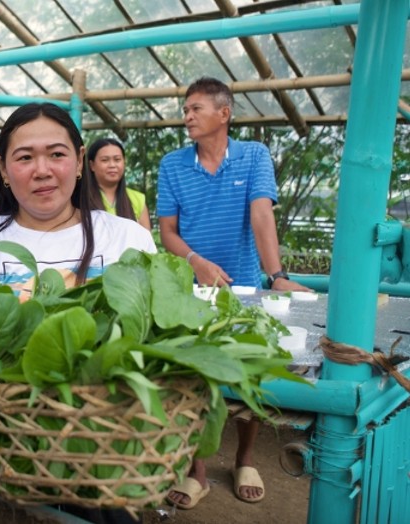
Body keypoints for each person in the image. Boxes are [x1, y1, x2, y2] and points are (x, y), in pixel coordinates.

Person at [0, 103, 156, 524]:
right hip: (6, 452)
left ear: (80, 162)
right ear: (3, 170)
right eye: (24, 158)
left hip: (101, 451)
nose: (42, 170)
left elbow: (148, 341)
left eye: (57, 154)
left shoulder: (126, 239)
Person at [157, 77, 310, 509]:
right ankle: (197, 471)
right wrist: (196, 262)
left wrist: (275, 274)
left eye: (196, 108)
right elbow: (167, 231)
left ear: (224, 114)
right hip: (191, 292)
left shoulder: (253, 156)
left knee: (249, 379)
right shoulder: (173, 164)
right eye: (185, 109)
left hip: (246, 286)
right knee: (195, 379)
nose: (186, 116)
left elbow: (262, 213)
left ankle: (244, 459)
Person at [87, 138, 152, 230]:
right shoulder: (82, 198)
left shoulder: (138, 199)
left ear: (124, 162)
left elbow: (146, 241)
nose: (112, 165)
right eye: (105, 160)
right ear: (92, 165)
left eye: (117, 160)